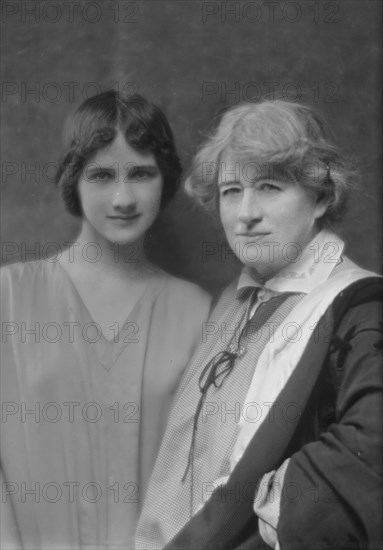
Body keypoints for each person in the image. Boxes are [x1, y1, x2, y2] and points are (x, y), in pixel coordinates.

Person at [135, 99, 383, 549]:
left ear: (322, 197)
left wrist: (272, 519)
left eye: (269, 186)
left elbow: (371, 456)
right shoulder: (234, 302)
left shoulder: (361, 309)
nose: (245, 213)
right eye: (232, 191)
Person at [0, 90, 211, 549]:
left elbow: (199, 470)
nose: (123, 197)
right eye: (100, 175)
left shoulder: (195, 310)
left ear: (165, 179)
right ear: (73, 181)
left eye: (141, 173)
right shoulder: (9, 296)